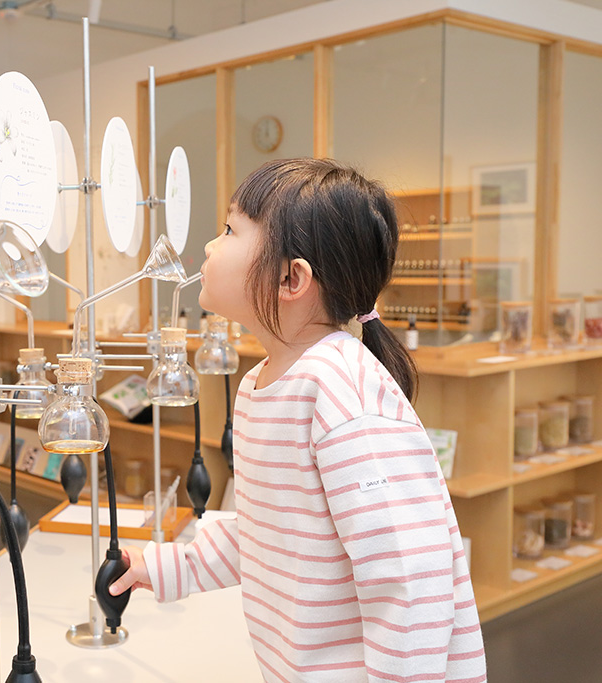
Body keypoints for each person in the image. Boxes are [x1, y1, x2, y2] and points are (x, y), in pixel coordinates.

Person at [109, 159, 486, 682]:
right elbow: (270, 532)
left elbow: (408, 580)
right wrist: (168, 567)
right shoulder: (260, 383)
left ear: (292, 278)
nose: (211, 247)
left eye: (229, 230)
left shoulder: (342, 389)